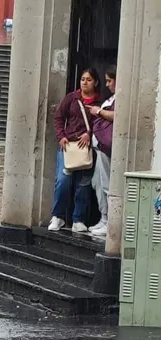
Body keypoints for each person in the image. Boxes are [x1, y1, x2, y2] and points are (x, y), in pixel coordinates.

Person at [48, 68, 102, 232]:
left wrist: (89, 134)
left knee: (83, 184)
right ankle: (58, 216)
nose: (85, 82)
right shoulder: (72, 98)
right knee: (63, 181)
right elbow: (58, 118)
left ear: (95, 83)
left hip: (86, 149)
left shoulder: (100, 103)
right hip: (68, 146)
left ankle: (78, 218)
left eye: (89, 80)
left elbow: (102, 125)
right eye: (82, 79)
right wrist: (61, 136)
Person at [87, 65, 117, 237]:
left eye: (109, 80)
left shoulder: (119, 99)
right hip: (99, 148)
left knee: (106, 183)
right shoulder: (111, 98)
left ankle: (109, 220)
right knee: (97, 183)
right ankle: (103, 218)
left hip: (106, 148)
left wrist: (98, 111)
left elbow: (116, 115)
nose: (107, 84)